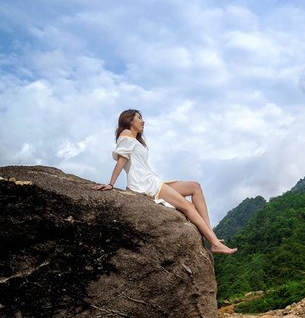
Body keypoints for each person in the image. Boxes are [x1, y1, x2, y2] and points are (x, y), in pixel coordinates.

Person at [93, 109, 237, 255]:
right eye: (139, 118)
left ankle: (212, 234)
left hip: (152, 179)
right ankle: (214, 243)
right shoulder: (126, 134)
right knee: (188, 206)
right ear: (129, 120)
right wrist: (111, 183)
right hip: (144, 182)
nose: (143, 121)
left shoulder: (136, 140)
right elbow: (122, 160)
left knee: (195, 187)